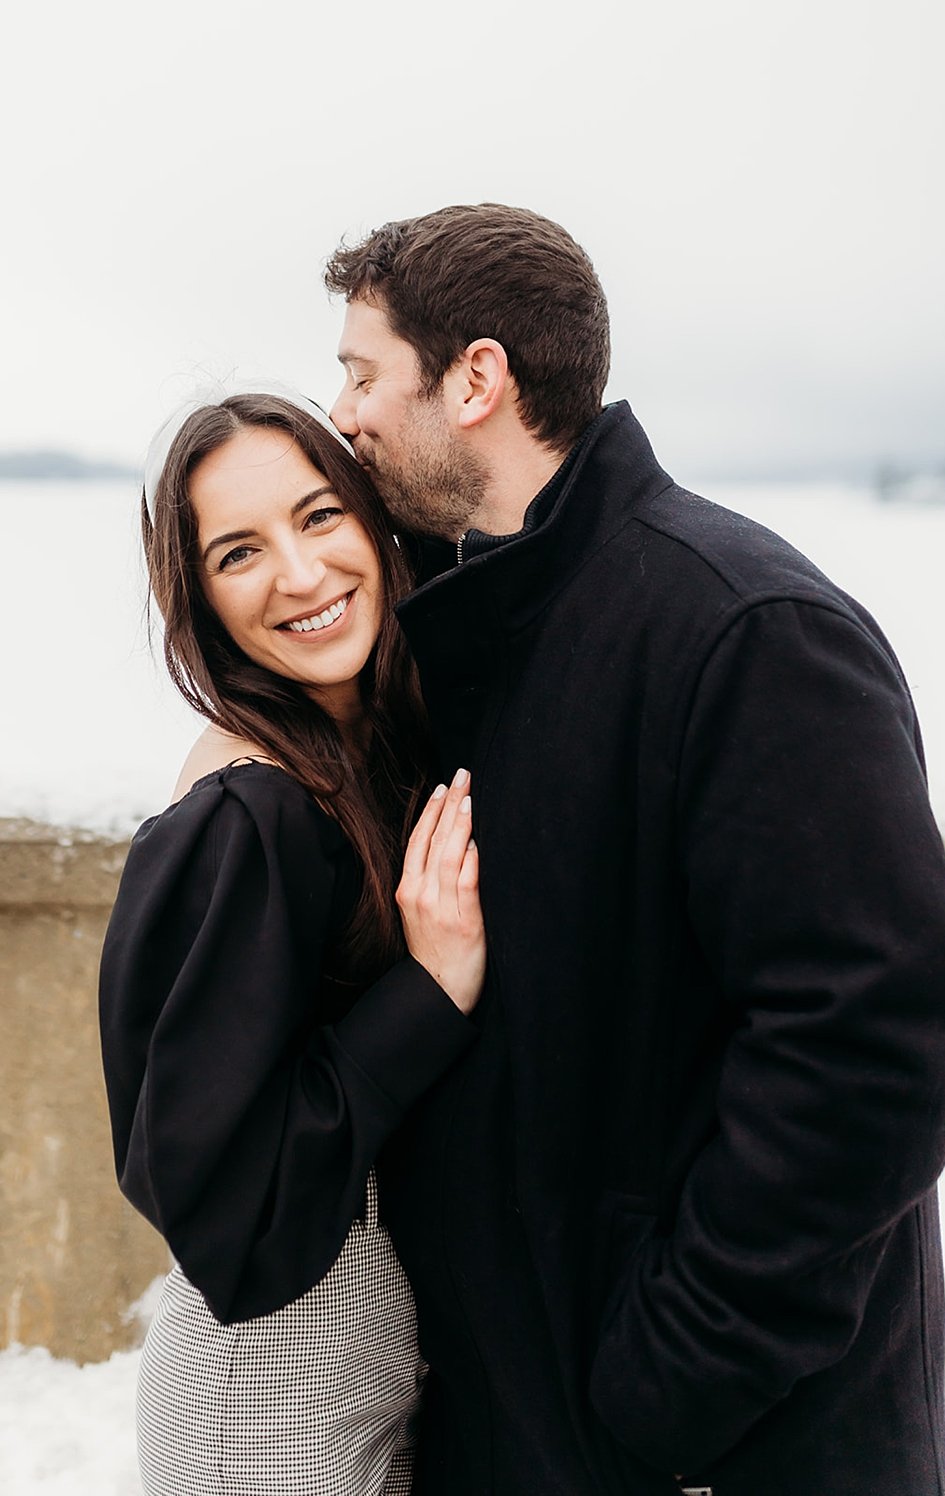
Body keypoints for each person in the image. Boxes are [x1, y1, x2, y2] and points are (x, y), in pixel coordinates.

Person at [322, 204, 945, 1494]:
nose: (340, 410)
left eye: (358, 372)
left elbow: (869, 1053)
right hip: (540, 1421)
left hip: (714, 1443)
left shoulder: (748, 631)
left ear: (476, 379)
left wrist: (665, 1390)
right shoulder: (474, 627)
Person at [99, 391, 487, 1493]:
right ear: (202, 599)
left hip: (370, 1365)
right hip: (266, 1391)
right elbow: (217, 1191)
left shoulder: (361, 748)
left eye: (320, 517)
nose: (301, 574)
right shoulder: (248, 811)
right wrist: (429, 987)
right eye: (239, 552)